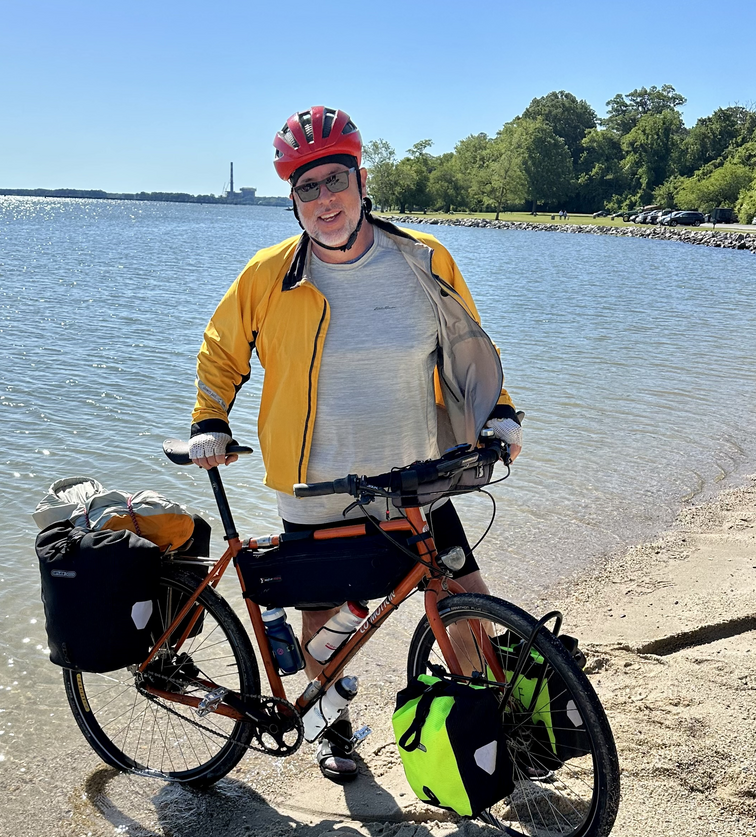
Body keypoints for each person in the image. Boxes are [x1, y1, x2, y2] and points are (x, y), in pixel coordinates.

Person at [188, 105, 522, 781]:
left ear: (362, 180)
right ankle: (332, 731)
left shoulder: (423, 259)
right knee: (325, 621)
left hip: (416, 478)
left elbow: (467, 346)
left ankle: (493, 727)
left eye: (335, 179)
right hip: (316, 485)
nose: (324, 199)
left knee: (465, 601)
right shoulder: (268, 275)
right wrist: (210, 420)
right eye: (307, 188)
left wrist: (501, 413)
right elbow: (222, 349)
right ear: (293, 200)